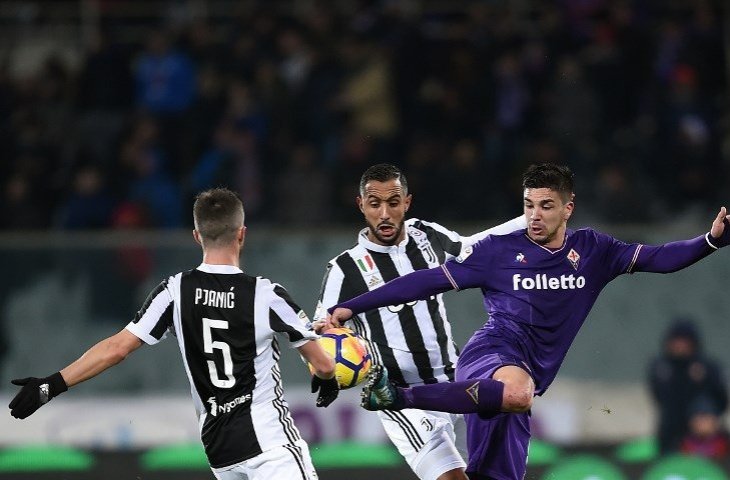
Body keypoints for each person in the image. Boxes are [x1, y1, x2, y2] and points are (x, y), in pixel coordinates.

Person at [323, 163, 730, 480]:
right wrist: (352, 306)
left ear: (568, 208)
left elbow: (661, 258)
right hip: (491, 355)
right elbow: (426, 281)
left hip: (522, 380)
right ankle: (396, 396)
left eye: (546, 206)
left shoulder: (595, 250)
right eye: (528, 205)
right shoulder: (498, 252)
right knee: (517, 392)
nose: (534, 216)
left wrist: (710, 241)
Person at [8, 188, 338, 480]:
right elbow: (323, 365)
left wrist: (51, 385)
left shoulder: (174, 291)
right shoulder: (267, 295)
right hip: (269, 444)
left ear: (197, 235)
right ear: (242, 234)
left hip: (221, 451)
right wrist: (327, 375)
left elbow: (117, 348)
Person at [312, 163, 526, 480]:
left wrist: (528, 220)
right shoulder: (344, 268)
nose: (384, 213)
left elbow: (477, 247)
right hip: (402, 399)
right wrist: (325, 362)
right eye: (375, 204)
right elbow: (322, 330)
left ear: (407, 203)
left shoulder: (426, 235)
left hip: (458, 383)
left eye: (393, 203)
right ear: (361, 205)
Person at [648, 319, 728, 454]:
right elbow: (659, 396)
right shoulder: (661, 368)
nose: (680, 346)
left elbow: (721, 398)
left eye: (684, 341)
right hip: (671, 431)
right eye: (676, 341)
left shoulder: (707, 367)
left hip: (704, 436)